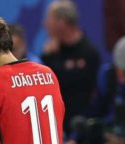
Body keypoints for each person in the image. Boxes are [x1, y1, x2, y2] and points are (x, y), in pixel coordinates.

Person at [41, 0, 100, 132]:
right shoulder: (50, 54)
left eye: (49, 19)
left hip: (81, 124)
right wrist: (49, 58)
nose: (45, 24)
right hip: (55, 123)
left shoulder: (89, 53)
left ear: (61, 23)